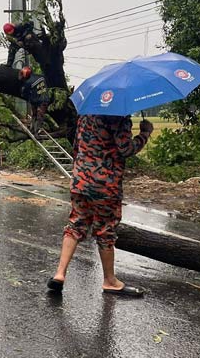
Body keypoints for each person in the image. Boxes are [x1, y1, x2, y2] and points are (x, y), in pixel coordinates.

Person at [47, 115, 153, 297]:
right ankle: (110, 281)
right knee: (106, 230)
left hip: (80, 180)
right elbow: (126, 149)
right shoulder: (119, 117)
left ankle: (60, 273)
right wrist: (144, 133)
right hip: (105, 184)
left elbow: (76, 146)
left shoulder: (86, 115)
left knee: (75, 224)